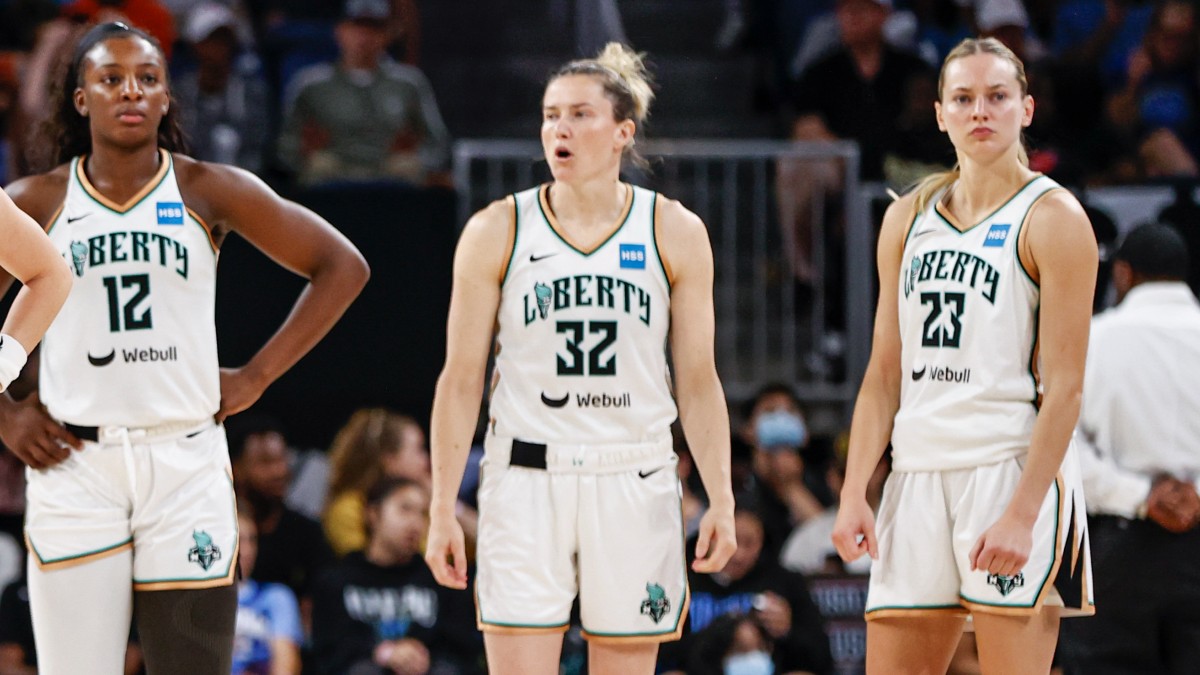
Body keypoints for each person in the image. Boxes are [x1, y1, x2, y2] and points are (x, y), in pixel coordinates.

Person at [0, 21, 369, 675]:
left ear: (169, 97)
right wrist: (8, 414)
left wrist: (257, 375)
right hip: (76, 463)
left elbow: (341, 265)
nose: (131, 91)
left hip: (185, 459)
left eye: (148, 78)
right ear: (80, 99)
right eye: (111, 79)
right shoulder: (37, 200)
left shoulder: (208, 189)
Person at [424, 42, 738, 675]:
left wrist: (722, 498)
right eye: (549, 115)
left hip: (635, 475)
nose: (559, 129)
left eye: (579, 114)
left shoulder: (673, 230)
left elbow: (698, 381)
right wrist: (439, 508)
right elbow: (460, 381)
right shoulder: (497, 229)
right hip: (525, 477)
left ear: (623, 131)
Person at [831, 36, 1098, 673]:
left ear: (1026, 110)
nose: (981, 110)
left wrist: (1022, 514)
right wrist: (853, 490)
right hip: (917, 473)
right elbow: (884, 373)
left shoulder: (1054, 217)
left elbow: (1066, 388)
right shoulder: (907, 218)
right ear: (940, 113)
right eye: (964, 98)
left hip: (1009, 470)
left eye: (997, 97)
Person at [1058, 223, 1200, 674]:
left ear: (1123, 273)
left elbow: (1060, 446)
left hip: (1112, 547)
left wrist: (1140, 497)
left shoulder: (1092, 338)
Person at [310, 478, 482, 675]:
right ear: (373, 514)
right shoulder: (335, 581)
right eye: (405, 509)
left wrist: (423, 656)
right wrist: (382, 653)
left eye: (423, 514)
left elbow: (463, 650)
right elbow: (328, 652)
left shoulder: (441, 579)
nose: (415, 523)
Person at [276, 0, 450, 187]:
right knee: (320, 166)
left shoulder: (409, 83)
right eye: (356, 28)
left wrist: (419, 158)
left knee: (408, 167)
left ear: (387, 34)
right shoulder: (311, 83)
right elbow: (285, 144)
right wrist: (303, 155)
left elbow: (438, 143)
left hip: (392, 172)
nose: (364, 37)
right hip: (332, 170)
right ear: (340, 31)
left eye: (374, 29)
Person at [233, 508, 303, 675]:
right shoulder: (200, 600)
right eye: (238, 540)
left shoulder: (276, 597)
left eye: (252, 540)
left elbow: (286, 667)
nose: (247, 550)